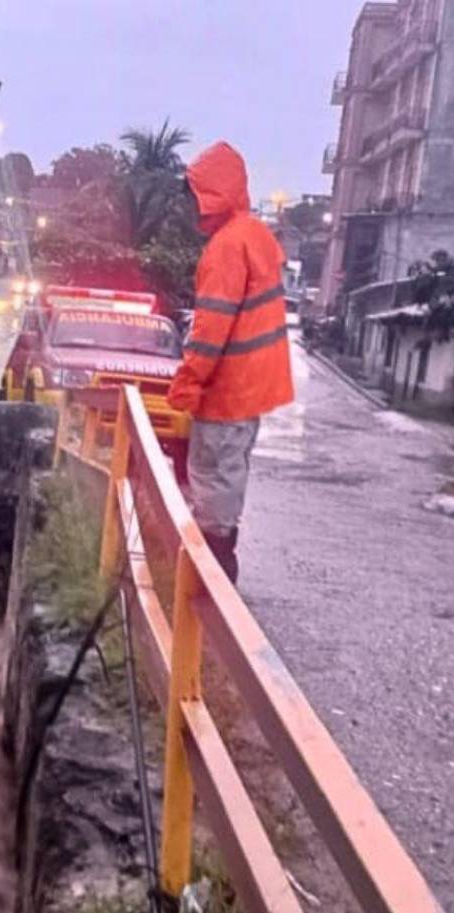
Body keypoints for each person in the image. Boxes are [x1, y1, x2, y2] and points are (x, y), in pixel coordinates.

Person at [168, 142, 294, 583]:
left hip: (227, 390)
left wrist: (188, 382)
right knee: (227, 474)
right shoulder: (255, 235)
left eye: (195, 195)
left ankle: (212, 576)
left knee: (212, 476)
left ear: (212, 194)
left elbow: (211, 329)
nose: (191, 208)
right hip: (248, 391)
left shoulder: (226, 247)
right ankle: (218, 564)